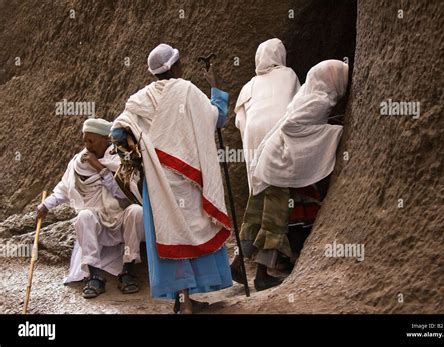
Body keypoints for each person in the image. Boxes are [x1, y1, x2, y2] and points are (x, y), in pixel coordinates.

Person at [111, 43, 232, 314]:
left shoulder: (139, 99)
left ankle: (184, 302)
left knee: (171, 237)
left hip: (158, 186)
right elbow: (218, 118)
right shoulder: (187, 91)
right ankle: (190, 302)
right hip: (189, 182)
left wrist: (143, 151)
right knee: (194, 233)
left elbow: (118, 133)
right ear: (175, 66)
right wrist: (215, 86)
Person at [239, 60, 349, 291]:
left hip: (267, 157)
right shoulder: (319, 101)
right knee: (274, 219)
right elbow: (293, 127)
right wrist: (338, 131)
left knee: (257, 213)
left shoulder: (307, 95)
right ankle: (261, 277)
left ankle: (237, 265)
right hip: (277, 163)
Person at [36, 118, 145, 298]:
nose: (86, 145)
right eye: (85, 140)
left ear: (106, 140)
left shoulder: (121, 159)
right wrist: (45, 205)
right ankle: (95, 276)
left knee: (136, 211)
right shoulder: (78, 163)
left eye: (91, 141)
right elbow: (64, 188)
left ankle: (128, 271)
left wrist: (101, 169)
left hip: (120, 219)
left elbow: (125, 193)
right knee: (84, 216)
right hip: (97, 221)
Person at [231, 38, 300, 289]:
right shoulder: (288, 75)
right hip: (277, 139)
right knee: (276, 205)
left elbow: (240, 121)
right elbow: (297, 108)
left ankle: (238, 260)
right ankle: (262, 274)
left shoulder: (250, 85)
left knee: (258, 199)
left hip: (253, 142)